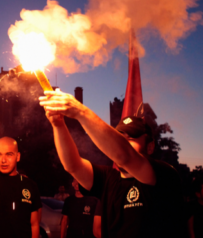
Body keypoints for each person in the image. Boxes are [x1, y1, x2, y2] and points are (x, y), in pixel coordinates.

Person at [39, 89, 184, 238]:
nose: (123, 143)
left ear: (150, 146)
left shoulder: (164, 174)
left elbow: (124, 155)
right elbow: (72, 166)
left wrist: (80, 112)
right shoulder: (108, 178)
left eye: (131, 139)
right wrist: (58, 125)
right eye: (120, 138)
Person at [0, 126, 42, 238]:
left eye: (9, 154)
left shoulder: (30, 185)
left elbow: (34, 224)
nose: (3, 160)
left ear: (18, 157)